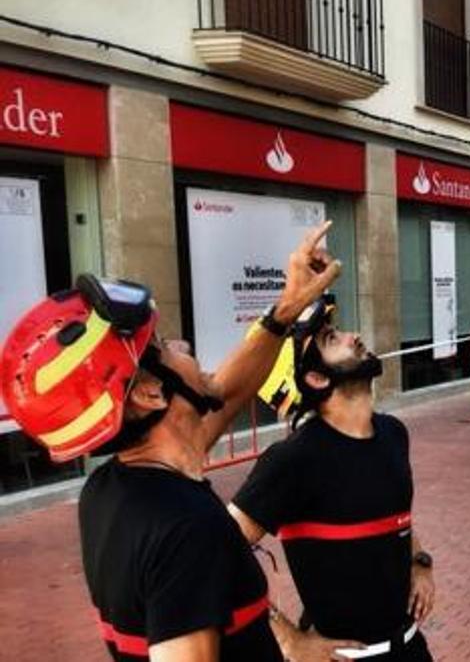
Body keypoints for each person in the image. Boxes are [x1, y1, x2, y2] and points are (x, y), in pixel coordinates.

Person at [0, 223, 342, 661]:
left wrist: (289, 306)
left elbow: (229, 391)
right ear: (149, 393)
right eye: (161, 345)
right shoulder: (187, 528)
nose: (180, 343)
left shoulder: (112, 490)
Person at [229, 295, 436, 661]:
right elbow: (214, 550)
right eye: (331, 339)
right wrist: (288, 639)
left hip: (411, 649)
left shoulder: (393, 433)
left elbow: (396, 520)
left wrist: (420, 563)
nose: (352, 336)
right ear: (316, 377)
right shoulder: (293, 459)